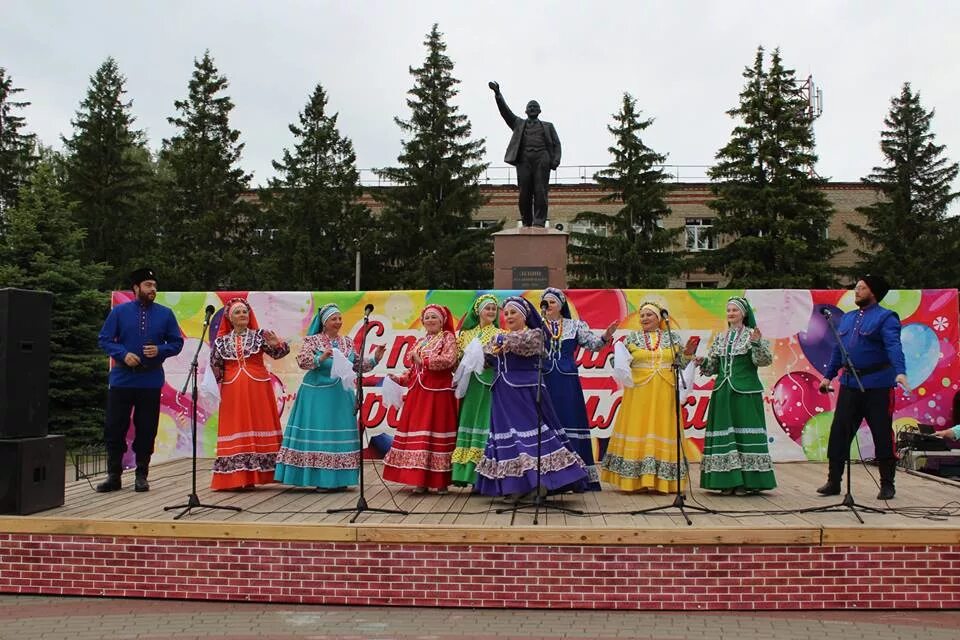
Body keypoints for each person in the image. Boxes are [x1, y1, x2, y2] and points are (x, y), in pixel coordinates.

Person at [475, 296, 588, 498]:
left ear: (524, 316)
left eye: (513, 312)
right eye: (506, 313)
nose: (508, 316)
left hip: (525, 393)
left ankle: (542, 483)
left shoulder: (535, 334)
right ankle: (517, 485)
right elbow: (488, 358)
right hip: (503, 394)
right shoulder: (500, 337)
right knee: (508, 438)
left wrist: (499, 342)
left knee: (530, 437)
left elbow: (525, 345)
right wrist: (479, 356)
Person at [274, 303, 385, 491]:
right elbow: (302, 362)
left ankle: (340, 480)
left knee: (338, 438)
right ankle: (321, 480)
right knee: (320, 436)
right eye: (334, 319)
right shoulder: (312, 341)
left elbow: (357, 365)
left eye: (340, 318)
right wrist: (320, 358)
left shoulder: (347, 342)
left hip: (340, 396)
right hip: (316, 396)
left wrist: (375, 358)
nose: (338, 322)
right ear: (324, 323)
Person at [817, 275, 908, 500]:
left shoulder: (886, 318)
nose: (856, 291)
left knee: (881, 434)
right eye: (856, 287)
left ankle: (887, 484)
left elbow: (894, 346)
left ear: (874, 292)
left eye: (862, 288)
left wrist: (900, 371)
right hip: (849, 385)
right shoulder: (847, 319)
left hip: (877, 386)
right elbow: (839, 350)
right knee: (839, 433)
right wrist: (828, 377)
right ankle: (833, 481)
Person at [96, 268, 184, 493]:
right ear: (136, 288)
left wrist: (160, 350)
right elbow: (104, 339)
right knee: (115, 428)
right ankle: (113, 476)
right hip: (122, 380)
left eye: (154, 285)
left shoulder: (165, 314)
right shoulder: (119, 312)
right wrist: (123, 354)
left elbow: (177, 343)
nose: (152, 289)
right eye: (147, 285)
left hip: (150, 380)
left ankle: (141, 475)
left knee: (147, 429)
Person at [601, 301, 699, 493]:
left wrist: (687, 354)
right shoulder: (632, 338)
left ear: (659, 319)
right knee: (638, 426)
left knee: (662, 428)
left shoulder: (672, 338)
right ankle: (634, 481)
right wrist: (620, 362)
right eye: (642, 315)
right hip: (639, 392)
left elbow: (680, 363)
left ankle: (662, 481)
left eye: (649, 315)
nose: (644, 318)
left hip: (665, 391)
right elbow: (616, 361)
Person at [540, 287, 618, 491]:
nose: (548, 306)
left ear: (561, 305)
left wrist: (606, 336)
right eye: (545, 302)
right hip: (544, 380)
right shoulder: (537, 326)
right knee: (546, 424)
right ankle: (547, 478)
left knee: (570, 421)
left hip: (567, 382)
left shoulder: (574, 326)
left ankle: (576, 478)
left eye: (552, 302)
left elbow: (594, 345)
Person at [698, 297, 777, 495]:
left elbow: (764, 361)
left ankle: (748, 482)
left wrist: (757, 344)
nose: (731, 313)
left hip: (745, 392)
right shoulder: (720, 337)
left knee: (744, 434)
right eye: (729, 310)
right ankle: (727, 481)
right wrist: (700, 361)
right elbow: (713, 368)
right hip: (723, 392)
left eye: (735, 310)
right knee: (727, 435)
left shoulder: (752, 335)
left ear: (744, 313)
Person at [209, 298, 290, 491]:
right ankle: (237, 477)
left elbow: (280, 353)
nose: (242, 315)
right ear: (230, 318)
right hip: (232, 390)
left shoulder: (259, 336)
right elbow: (216, 368)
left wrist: (277, 344)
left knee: (258, 423)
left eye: (245, 311)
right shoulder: (221, 342)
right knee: (237, 425)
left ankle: (262, 473)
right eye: (237, 312)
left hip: (257, 388)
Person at [383, 304, 459, 494]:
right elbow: (414, 371)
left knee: (437, 431)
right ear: (423, 322)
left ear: (442, 321)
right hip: (419, 394)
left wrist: (424, 361)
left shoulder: (448, 338)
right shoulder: (421, 341)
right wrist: (399, 379)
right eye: (427, 318)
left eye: (435, 317)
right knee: (420, 434)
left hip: (438, 393)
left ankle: (441, 481)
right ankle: (420, 480)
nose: (430, 321)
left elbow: (450, 360)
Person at [488, 81, 561, 227]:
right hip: (524, 159)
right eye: (530, 107)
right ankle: (527, 222)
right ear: (526, 111)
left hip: (542, 158)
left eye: (535, 107)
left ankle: (539, 222)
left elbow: (557, 144)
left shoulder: (548, 126)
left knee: (540, 191)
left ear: (540, 111)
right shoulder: (518, 124)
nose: (533, 109)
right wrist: (498, 95)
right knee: (524, 192)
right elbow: (505, 113)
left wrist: (556, 160)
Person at [451, 294, 503, 487]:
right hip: (470, 385)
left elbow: (501, 360)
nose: (490, 312)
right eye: (487, 308)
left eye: (493, 309)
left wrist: (487, 358)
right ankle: (465, 475)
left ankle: (483, 479)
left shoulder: (500, 333)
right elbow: (455, 361)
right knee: (468, 421)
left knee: (485, 423)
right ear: (478, 311)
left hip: (488, 385)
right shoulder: (465, 335)